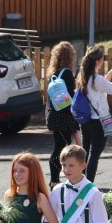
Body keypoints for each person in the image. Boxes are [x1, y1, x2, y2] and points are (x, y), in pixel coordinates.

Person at [75, 46, 112, 182]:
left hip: (86, 120)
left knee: (85, 153)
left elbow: (101, 85)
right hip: (99, 121)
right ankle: (89, 185)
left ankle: (81, 182)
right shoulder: (96, 79)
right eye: (102, 59)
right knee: (94, 155)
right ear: (97, 61)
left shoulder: (83, 76)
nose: (103, 61)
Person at [44, 42, 80, 185]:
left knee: (61, 147)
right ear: (69, 57)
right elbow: (70, 98)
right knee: (61, 149)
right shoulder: (67, 74)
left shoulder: (54, 74)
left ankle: (57, 179)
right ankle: (54, 180)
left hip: (53, 115)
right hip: (63, 117)